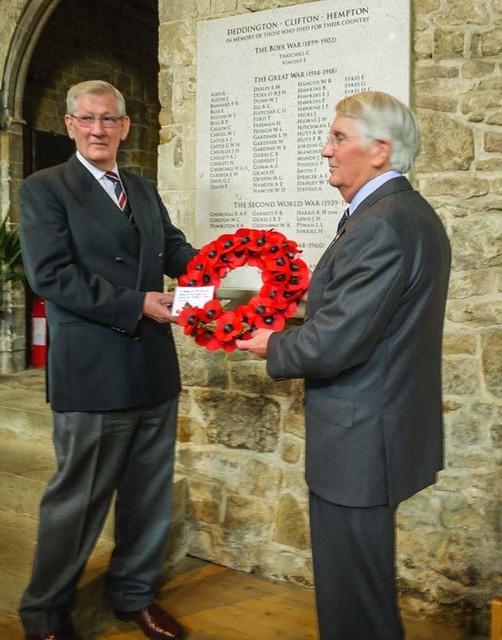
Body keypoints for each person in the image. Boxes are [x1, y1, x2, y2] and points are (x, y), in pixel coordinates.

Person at [237, 91, 451, 640]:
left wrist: (270, 344)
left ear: (380, 150)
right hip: (378, 426)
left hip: (360, 436)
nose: (324, 150)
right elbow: (362, 311)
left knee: (354, 598)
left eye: (337, 138)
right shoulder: (402, 213)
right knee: (360, 585)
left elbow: (337, 342)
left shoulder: (382, 223)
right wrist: (286, 305)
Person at [19, 80, 197, 640]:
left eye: (110, 119)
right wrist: (136, 303)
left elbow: (171, 247)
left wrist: (222, 265)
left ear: (125, 126)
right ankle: (45, 613)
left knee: (148, 496)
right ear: (71, 125)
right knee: (77, 502)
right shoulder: (44, 189)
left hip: (153, 369)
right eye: (87, 119)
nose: (99, 129)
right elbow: (50, 277)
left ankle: (134, 596)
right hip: (92, 372)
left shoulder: (141, 188)